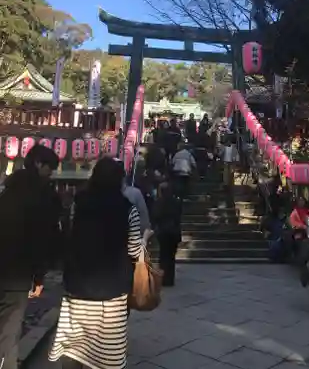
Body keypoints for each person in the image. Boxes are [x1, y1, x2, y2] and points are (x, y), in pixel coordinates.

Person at [49, 157, 142, 369]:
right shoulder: (128, 209)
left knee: (75, 344)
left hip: (78, 283)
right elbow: (134, 250)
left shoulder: (78, 203)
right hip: (113, 288)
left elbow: (69, 234)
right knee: (106, 348)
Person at [0, 145, 61, 369]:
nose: (51, 173)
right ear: (38, 164)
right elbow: (42, 239)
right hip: (18, 271)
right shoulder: (44, 197)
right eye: (50, 168)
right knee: (10, 326)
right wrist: (38, 276)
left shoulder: (7, 189)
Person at [153, 182, 182, 287]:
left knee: (163, 255)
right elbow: (178, 216)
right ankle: (170, 278)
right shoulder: (176, 202)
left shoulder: (158, 202)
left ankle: (163, 278)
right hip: (173, 231)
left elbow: (156, 216)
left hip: (163, 231)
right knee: (171, 256)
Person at [289, 196, 309, 285]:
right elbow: (293, 223)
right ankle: (304, 275)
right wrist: (303, 226)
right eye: (300, 201)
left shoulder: (308, 212)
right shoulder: (294, 213)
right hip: (299, 236)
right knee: (302, 257)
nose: (301, 202)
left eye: (303, 201)